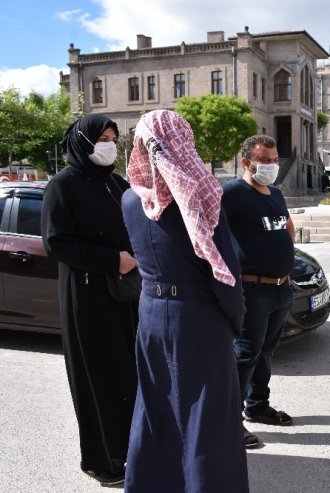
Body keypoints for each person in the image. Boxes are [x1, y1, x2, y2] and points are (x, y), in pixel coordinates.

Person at [121, 110, 249, 491]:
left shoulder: (130, 199)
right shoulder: (202, 195)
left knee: (155, 410)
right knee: (207, 421)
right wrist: (235, 322)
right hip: (198, 319)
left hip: (150, 316)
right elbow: (225, 273)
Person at [40, 114, 138, 487]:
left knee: (127, 373)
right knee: (96, 376)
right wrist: (113, 259)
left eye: (114, 138)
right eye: (103, 138)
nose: (110, 145)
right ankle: (99, 460)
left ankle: (131, 447)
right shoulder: (63, 185)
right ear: (83, 142)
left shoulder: (116, 183)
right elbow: (56, 243)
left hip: (124, 295)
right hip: (87, 296)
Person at [222, 135, 296, 448]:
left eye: (274, 159)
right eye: (264, 160)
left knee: (265, 352)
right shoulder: (232, 193)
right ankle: (228, 422)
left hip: (281, 288)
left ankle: (258, 406)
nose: (271, 165)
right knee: (245, 354)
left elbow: (288, 226)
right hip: (253, 289)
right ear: (246, 162)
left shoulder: (276, 193)